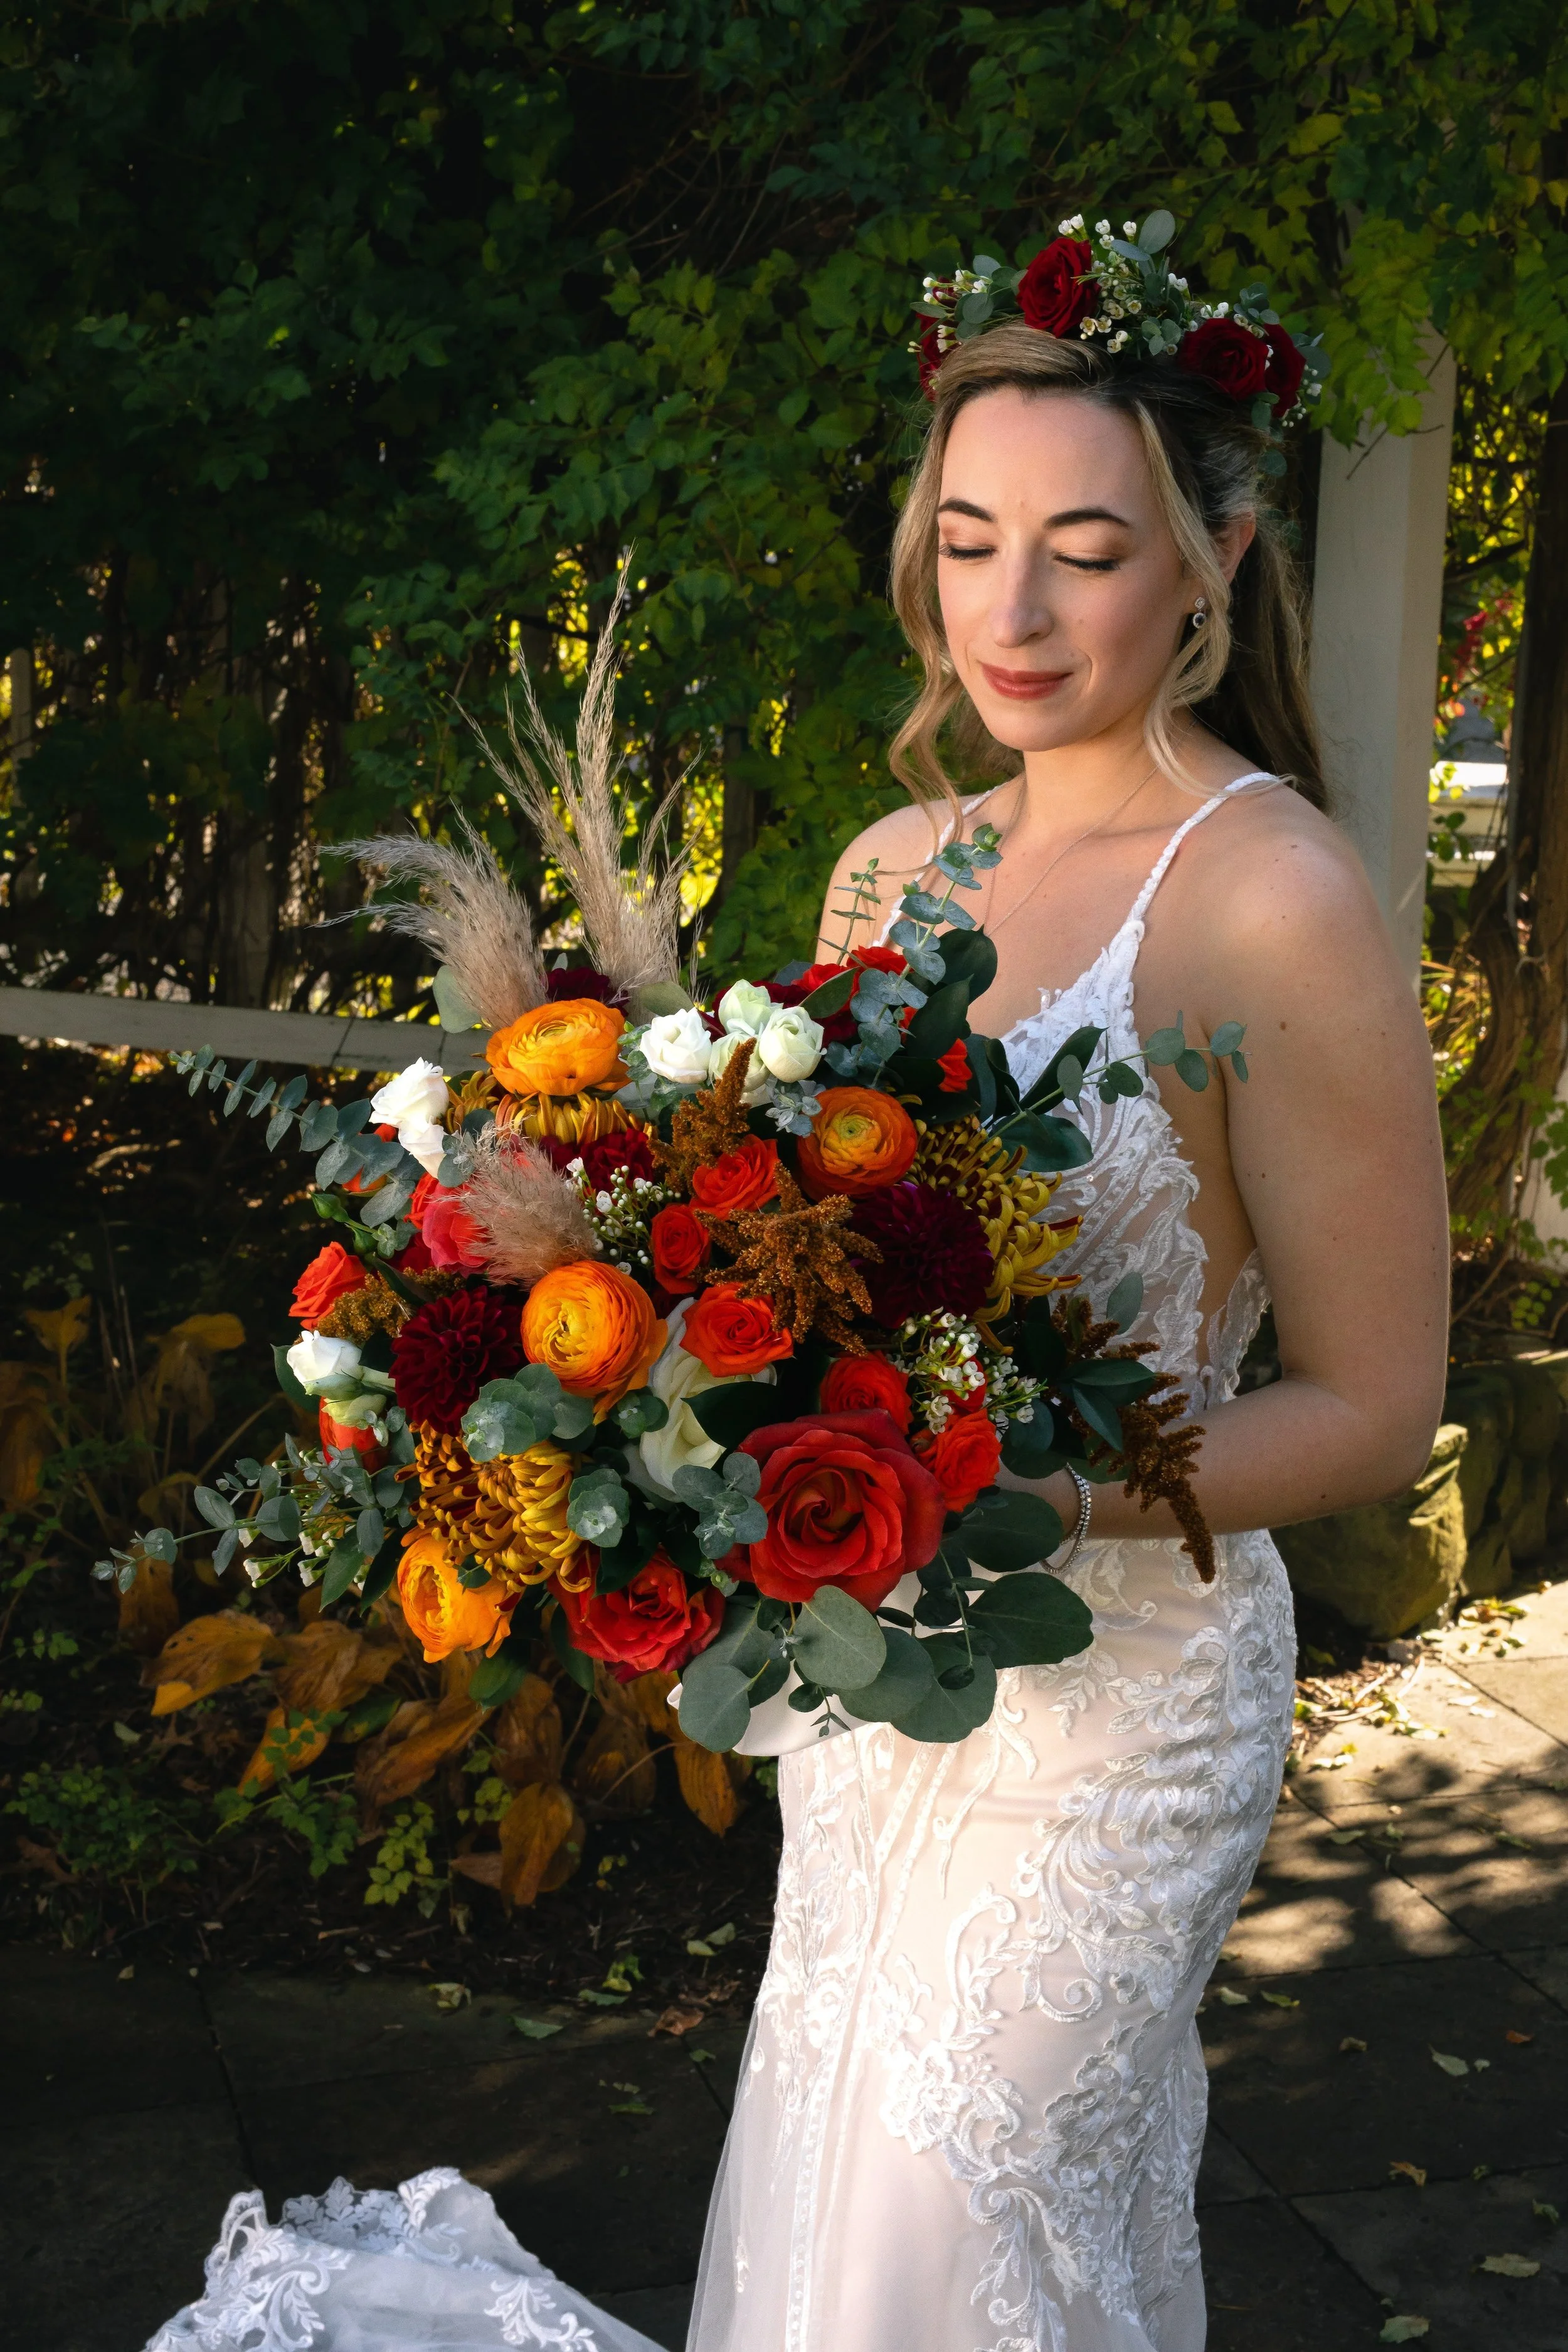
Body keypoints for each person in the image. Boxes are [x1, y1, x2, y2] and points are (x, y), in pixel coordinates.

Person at [146, 233, 1448, 2352]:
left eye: (1083, 549)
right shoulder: (887, 871)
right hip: (878, 1688)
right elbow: (797, 1253)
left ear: (1210, 562)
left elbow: (1377, 1403)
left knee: (960, 2234)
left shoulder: (1272, 899)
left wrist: (990, 1491)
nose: (1008, 614)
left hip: (1113, 1722)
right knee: (839, 2209)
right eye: (964, 542)